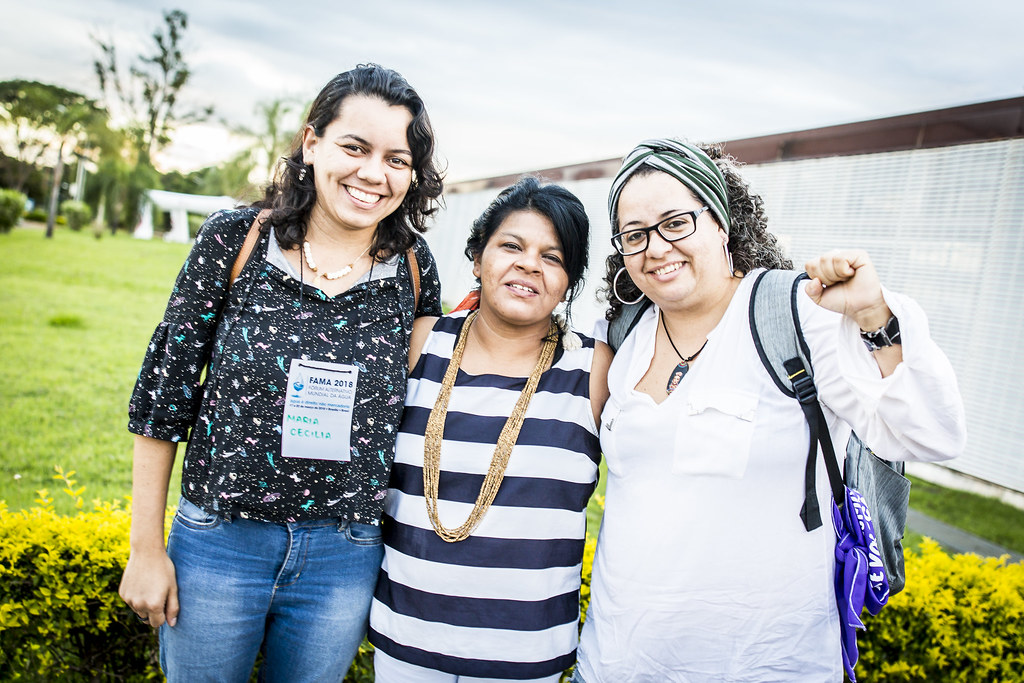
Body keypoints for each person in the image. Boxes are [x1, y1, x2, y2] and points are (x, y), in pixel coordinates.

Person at [572, 139, 966, 682]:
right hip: (617, 661)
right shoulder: (625, 333)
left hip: (764, 665)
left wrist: (875, 315)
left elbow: (931, 433)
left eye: (675, 222)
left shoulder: (798, 315)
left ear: (721, 221)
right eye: (634, 234)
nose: (655, 247)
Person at [118, 64, 445, 682]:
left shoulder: (413, 266)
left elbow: (428, 394)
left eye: (396, 159)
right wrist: (145, 548)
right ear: (311, 141)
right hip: (219, 544)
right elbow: (162, 400)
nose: (374, 173)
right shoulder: (234, 239)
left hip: (342, 556)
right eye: (355, 147)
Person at [368, 177, 612, 682]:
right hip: (406, 643)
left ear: (570, 281)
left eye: (553, 257)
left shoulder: (596, 370)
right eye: (512, 246)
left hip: (524, 655)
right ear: (478, 258)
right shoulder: (420, 343)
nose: (529, 264)